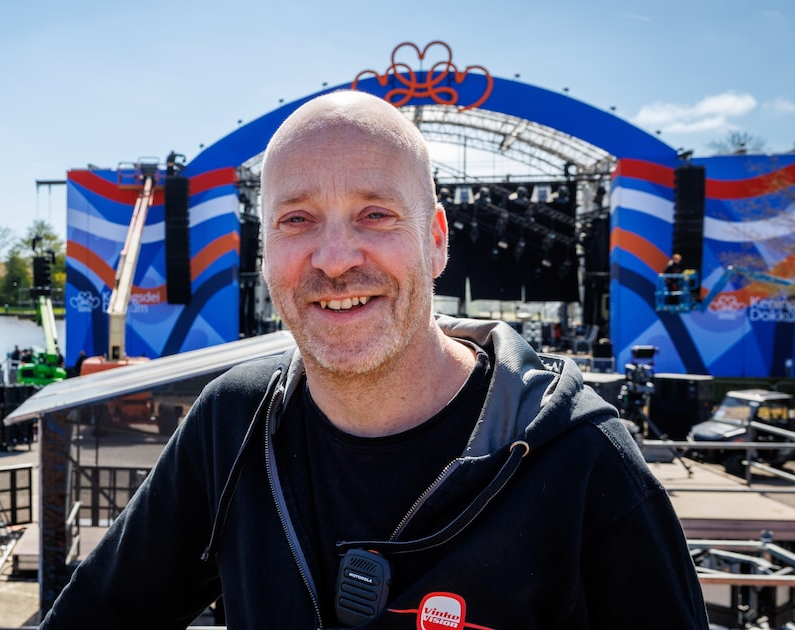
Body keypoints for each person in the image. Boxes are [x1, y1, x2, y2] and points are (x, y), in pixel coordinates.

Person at [40, 91, 708, 628]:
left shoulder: (584, 464)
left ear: (437, 240)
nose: (335, 259)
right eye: (296, 220)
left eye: (376, 215)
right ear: (264, 250)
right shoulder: (233, 425)